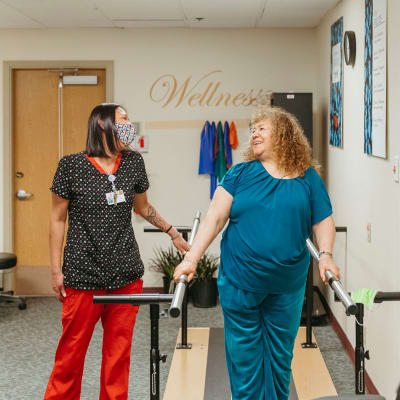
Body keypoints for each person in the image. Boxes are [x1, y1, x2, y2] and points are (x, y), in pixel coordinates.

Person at [174, 106, 340, 400]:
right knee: (245, 362)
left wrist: (325, 254)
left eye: (262, 127)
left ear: (283, 133)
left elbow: (323, 219)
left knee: (279, 360)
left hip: (286, 286)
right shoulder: (239, 174)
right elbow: (214, 218)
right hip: (241, 282)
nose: (254, 133)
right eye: (252, 129)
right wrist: (191, 259)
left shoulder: (307, 178)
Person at [44, 103, 189, 400]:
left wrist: (173, 233)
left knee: (118, 358)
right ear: (102, 124)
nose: (128, 124)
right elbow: (57, 219)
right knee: (70, 357)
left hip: (126, 276)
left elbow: (143, 207)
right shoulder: (71, 166)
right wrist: (55, 269)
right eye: (123, 119)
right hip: (82, 276)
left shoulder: (133, 162)